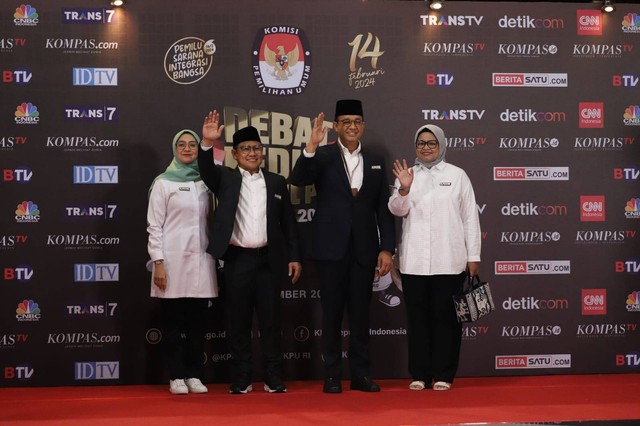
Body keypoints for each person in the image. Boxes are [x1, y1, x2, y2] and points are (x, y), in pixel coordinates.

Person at [289, 99, 395, 393]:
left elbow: (382, 210)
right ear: (336, 126)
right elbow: (297, 180)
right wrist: (310, 146)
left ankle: (361, 375)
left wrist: (386, 248)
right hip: (330, 249)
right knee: (332, 313)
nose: (351, 126)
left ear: (363, 126)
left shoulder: (375, 159)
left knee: (361, 315)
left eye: (356, 121)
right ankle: (332, 376)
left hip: (364, 250)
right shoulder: (322, 156)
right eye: (345, 121)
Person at [197, 110, 301, 394]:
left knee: (271, 321)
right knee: (238, 322)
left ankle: (273, 378)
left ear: (262, 152)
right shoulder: (225, 179)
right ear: (234, 153)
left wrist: (293, 256)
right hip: (237, 259)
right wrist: (207, 142)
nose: (252, 153)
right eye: (245, 149)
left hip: (269, 260)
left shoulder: (277, 182)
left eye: (256, 148)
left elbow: (288, 223)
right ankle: (242, 378)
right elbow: (205, 170)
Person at [388, 124, 481, 392]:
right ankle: (419, 374)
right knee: (417, 321)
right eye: (421, 143)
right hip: (414, 263)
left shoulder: (457, 175)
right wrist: (404, 189)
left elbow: (469, 218)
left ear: (441, 144)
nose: (426, 147)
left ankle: (444, 374)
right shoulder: (408, 175)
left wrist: (473, 256)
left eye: (431, 142)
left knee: (447, 322)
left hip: (449, 262)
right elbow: (396, 209)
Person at [147, 129, 219, 395]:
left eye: (192, 145)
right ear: (174, 148)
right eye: (182, 145)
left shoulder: (206, 181)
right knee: (174, 324)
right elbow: (154, 227)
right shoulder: (163, 183)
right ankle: (176, 376)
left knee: (198, 325)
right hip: (172, 262)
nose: (187, 149)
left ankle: (194, 375)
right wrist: (159, 262)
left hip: (202, 261)